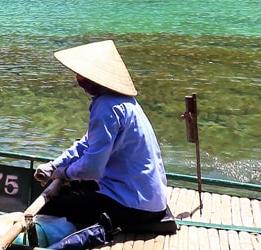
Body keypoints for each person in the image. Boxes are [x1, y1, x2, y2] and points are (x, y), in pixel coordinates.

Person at [34, 39, 169, 232]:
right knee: (73, 191)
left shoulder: (106, 107)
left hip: (134, 204)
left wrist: (64, 173)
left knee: (52, 206)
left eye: (82, 76)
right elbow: (86, 144)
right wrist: (54, 165)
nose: (79, 80)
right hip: (151, 197)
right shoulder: (125, 102)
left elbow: (92, 168)